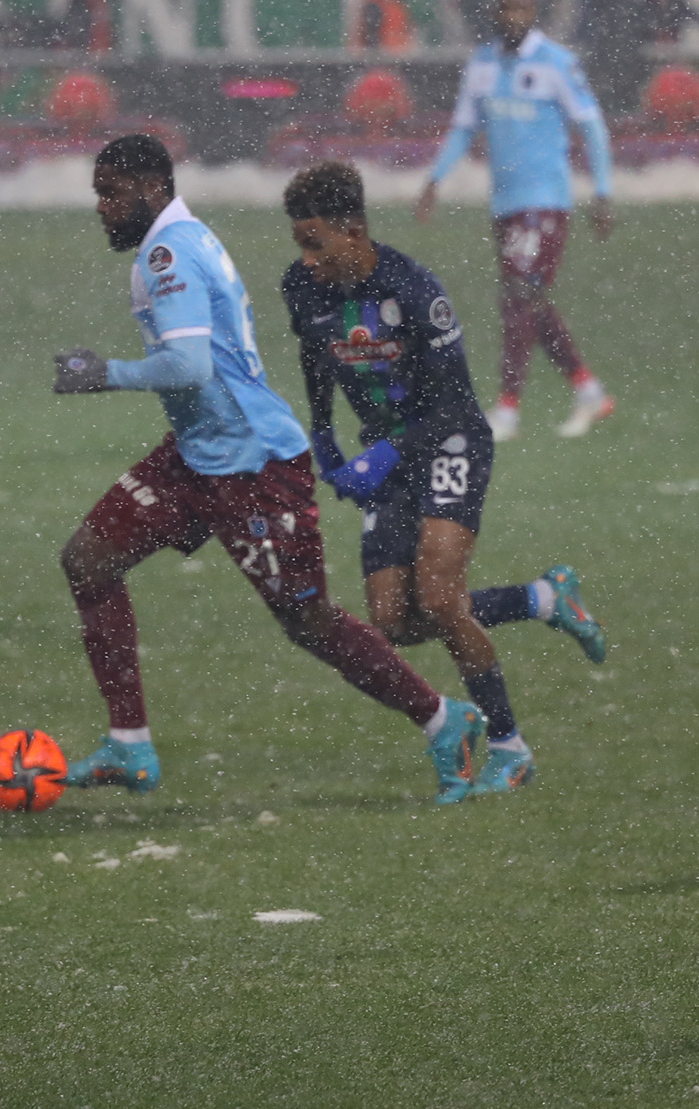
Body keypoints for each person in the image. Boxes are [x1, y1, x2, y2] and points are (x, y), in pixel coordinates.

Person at [48, 135, 488, 803]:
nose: (102, 208)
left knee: (309, 621)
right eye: (98, 194)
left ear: (151, 189)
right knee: (88, 559)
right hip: (198, 454)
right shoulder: (183, 240)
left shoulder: (169, 253)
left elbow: (191, 367)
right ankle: (129, 746)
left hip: (251, 465)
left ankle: (441, 718)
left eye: (111, 192)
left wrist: (103, 373)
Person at [278, 162, 610, 798]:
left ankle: (510, 750)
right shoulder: (303, 287)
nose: (306, 257)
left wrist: (387, 454)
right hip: (388, 453)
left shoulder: (412, 288)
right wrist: (323, 438)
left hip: (449, 439)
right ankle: (542, 599)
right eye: (299, 241)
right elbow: (314, 358)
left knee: (437, 597)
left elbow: (456, 404)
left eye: (314, 241)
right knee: (393, 620)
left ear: (353, 230)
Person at [417, 0, 617, 441]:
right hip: (505, 203)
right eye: (505, 8)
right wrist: (434, 179)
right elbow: (464, 128)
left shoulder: (557, 64)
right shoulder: (483, 64)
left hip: (546, 200)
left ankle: (507, 409)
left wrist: (602, 192)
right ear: (494, 13)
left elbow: (591, 126)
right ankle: (588, 390)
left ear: (535, 13)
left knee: (518, 297)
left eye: (522, 8)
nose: (513, 17)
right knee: (529, 301)